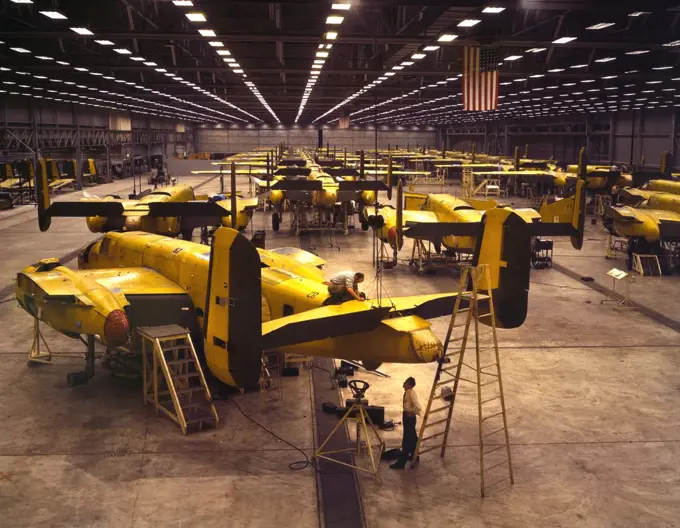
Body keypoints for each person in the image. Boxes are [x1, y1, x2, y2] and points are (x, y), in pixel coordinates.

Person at [390, 377, 421, 470]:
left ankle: (401, 463)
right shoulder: (408, 392)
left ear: (410, 385)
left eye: (406, 382)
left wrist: (409, 411)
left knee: (406, 441)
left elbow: (418, 407)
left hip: (409, 417)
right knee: (413, 437)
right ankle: (415, 456)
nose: (404, 383)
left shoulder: (411, 393)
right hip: (407, 416)